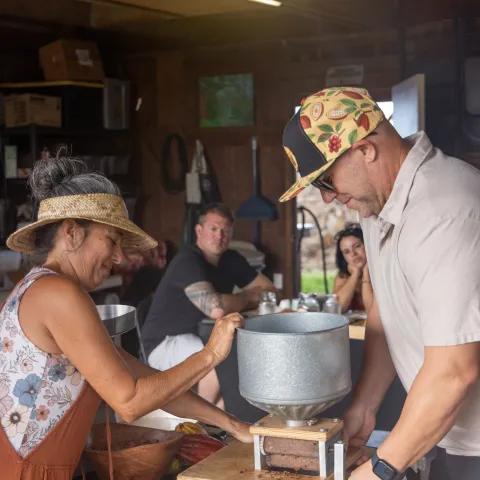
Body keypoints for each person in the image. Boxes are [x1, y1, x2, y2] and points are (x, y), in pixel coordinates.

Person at [0, 155, 252, 479]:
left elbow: (146, 381)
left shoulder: (44, 289)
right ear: (71, 233)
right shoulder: (58, 294)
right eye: (111, 240)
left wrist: (233, 425)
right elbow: (130, 402)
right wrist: (211, 354)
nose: (119, 257)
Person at [280, 86, 480, 480]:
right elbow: (386, 310)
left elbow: (455, 372)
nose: (328, 198)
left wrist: (380, 468)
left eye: (326, 181)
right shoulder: (378, 205)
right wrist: (365, 406)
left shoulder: (445, 212)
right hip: (443, 434)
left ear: (365, 149)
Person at [142, 203, 276, 408]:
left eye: (226, 230)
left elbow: (270, 291)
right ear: (199, 230)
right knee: (219, 361)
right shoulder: (186, 262)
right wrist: (248, 296)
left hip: (201, 335)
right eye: (213, 229)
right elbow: (216, 308)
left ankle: (220, 422)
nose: (219, 235)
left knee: (234, 370)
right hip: (165, 343)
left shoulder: (231, 259)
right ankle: (199, 423)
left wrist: (235, 299)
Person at [332, 224, 373, 313]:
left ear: (367, 245)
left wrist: (366, 274)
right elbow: (338, 308)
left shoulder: (383, 272)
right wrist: (355, 275)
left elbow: (372, 310)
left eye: (357, 246)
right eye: (346, 252)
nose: (353, 254)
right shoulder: (343, 276)